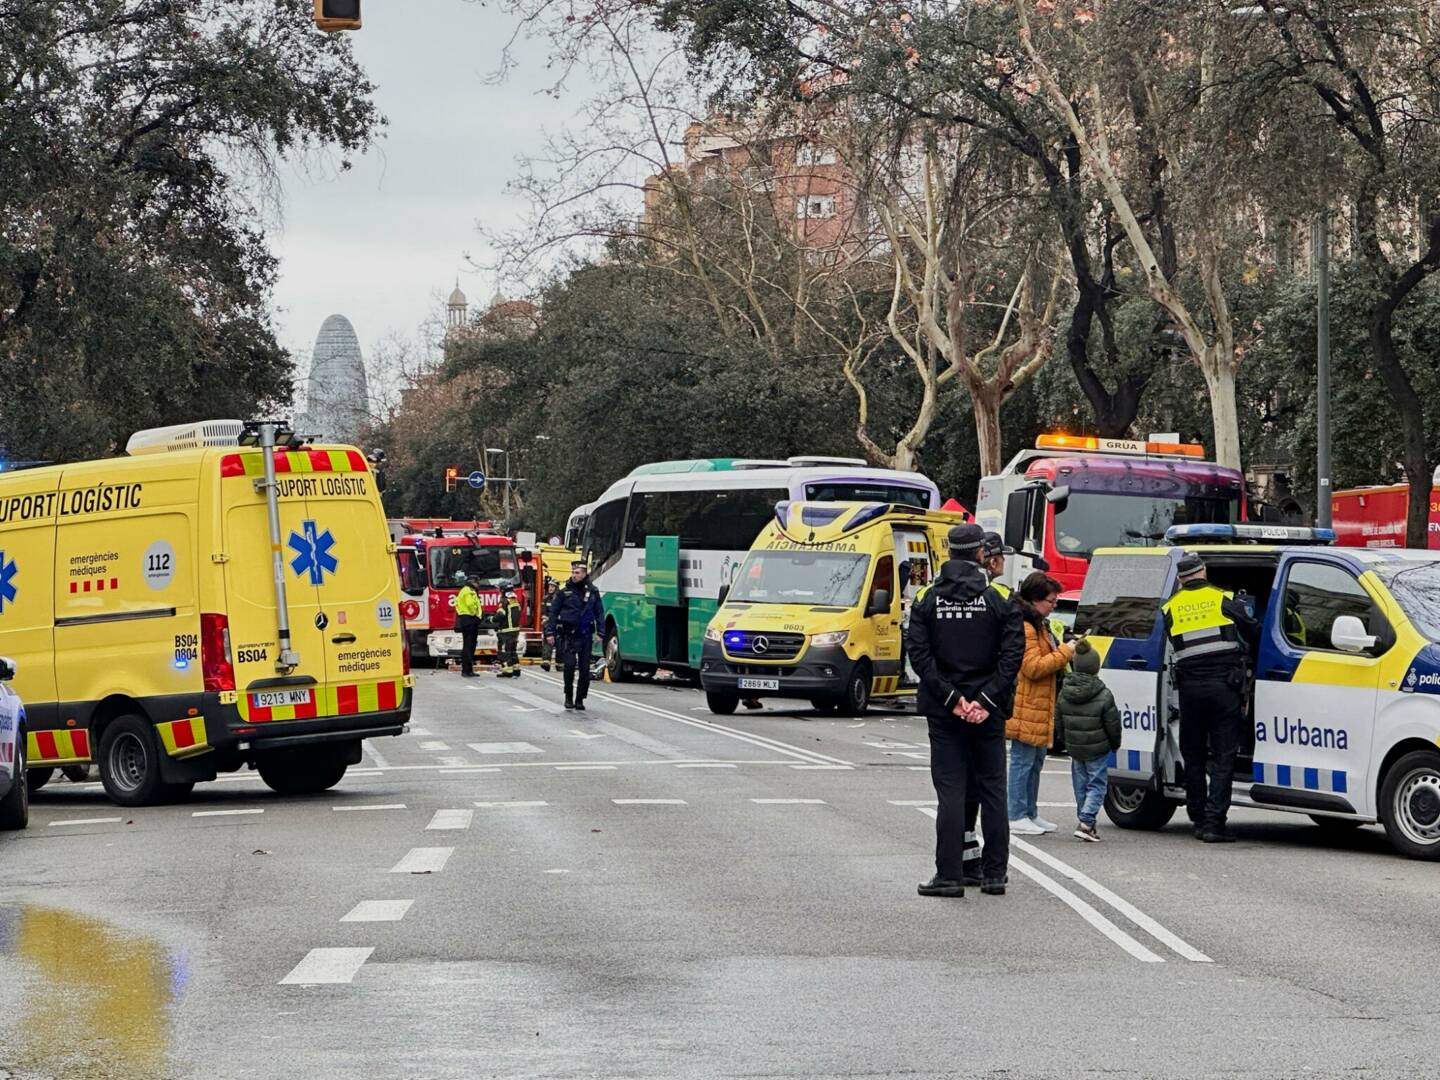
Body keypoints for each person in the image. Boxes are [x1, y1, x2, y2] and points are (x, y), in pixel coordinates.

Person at [907, 523, 1025, 898]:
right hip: (987, 712)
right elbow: (1012, 657)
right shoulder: (1001, 596)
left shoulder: (927, 597)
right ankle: (993, 874)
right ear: (980, 554)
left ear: (948, 552)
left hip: (945, 712)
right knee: (992, 790)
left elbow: (920, 657)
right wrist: (985, 700)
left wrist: (952, 698)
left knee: (951, 792)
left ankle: (949, 874)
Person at [1161, 554, 1259, 843]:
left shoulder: (1169, 608)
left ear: (1180, 579)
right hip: (1223, 688)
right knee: (1223, 756)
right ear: (1203, 572)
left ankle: (1198, 818)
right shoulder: (1224, 599)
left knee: (1193, 756)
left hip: (1189, 691)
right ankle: (1214, 825)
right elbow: (1253, 630)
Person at [1007, 572, 1076, 837]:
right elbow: (1033, 667)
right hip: (1027, 702)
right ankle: (1016, 814)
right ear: (1035, 600)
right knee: (1023, 761)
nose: (1054, 604)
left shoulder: (1040, 624)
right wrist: (1065, 652)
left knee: (1035, 760)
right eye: (1050, 600)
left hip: (1038, 702)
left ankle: (1030, 812)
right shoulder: (1026, 627)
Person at [1055, 640, 1121, 842]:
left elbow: (1059, 722)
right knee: (1097, 785)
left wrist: (1066, 741)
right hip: (1097, 748)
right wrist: (1115, 743)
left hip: (1075, 748)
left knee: (1080, 785)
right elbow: (1112, 723)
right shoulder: (1103, 693)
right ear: (1095, 667)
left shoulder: (1064, 692)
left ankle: (1087, 824)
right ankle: (1086, 820)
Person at [547, 560, 605, 711]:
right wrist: (550, 632)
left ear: (585, 574)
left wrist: (601, 632)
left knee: (585, 670)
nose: (574, 575)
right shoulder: (564, 592)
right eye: (572, 572)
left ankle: (580, 699)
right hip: (568, 635)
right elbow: (553, 613)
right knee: (570, 667)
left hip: (585, 635)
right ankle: (568, 696)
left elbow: (599, 612)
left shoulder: (593, 592)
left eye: (577, 572)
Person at [454, 575, 482, 678]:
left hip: (468, 619)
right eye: (477, 582)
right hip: (469, 619)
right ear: (473, 582)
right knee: (468, 646)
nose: (478, 584)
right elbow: (471, 605)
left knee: (470, 646)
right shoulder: (468, 591)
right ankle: (466, 670)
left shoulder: (467, 590)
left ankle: (469, 670)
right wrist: (475, 614)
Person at [496, 586, 523, 678]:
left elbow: (501, 615)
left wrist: (491, 619)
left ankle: (507, 671)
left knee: (504, 651)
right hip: (515, 630)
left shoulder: (504, 601)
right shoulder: (515, 600)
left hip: (506, 631)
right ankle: (516, 670)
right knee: (512, 651)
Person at [539, 575, 558, 671]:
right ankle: (546, 662)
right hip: (548, 623)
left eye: (552, 587)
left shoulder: (559, 599)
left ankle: (560, 664)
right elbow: (543, 612)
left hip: (558, 624)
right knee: (547, 642)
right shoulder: (545, 598)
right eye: (549, 586)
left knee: (560, 643)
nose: (550, 588)